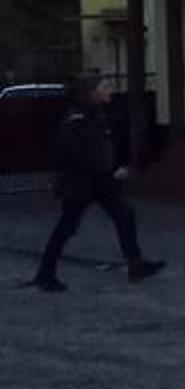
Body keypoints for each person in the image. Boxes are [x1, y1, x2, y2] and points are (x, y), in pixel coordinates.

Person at [30, 76, 166, 293]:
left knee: (125, 214)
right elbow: (77, 151)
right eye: (103, 87)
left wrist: (112, 169)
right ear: (90, 92)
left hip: (100, 180)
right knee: (66, 227)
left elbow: (103, 145)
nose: (108, 90)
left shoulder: (95, 113)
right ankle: (45, 274)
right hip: (81, 182)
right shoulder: (77, 118)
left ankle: (136, 264)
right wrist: (109, 170)